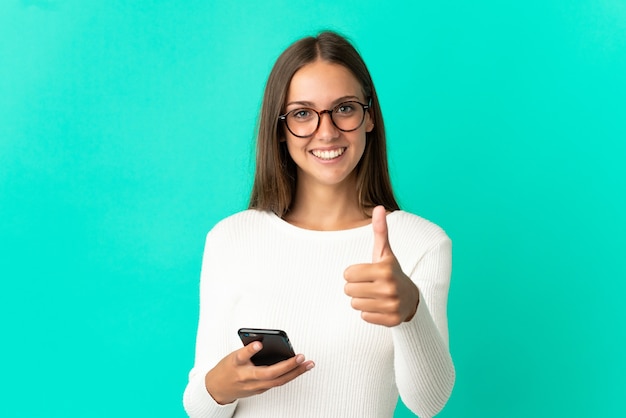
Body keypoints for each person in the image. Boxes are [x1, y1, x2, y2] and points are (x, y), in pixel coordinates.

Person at [183, 31, 455, 418]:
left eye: (344, 108)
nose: (326, 132)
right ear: (280, 128)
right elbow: (199, 407)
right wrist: (220, 386)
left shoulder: (421, 242)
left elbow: (429, 404)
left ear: (369, 116)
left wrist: (410, 312)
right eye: (302, 113)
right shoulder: (231, 238)